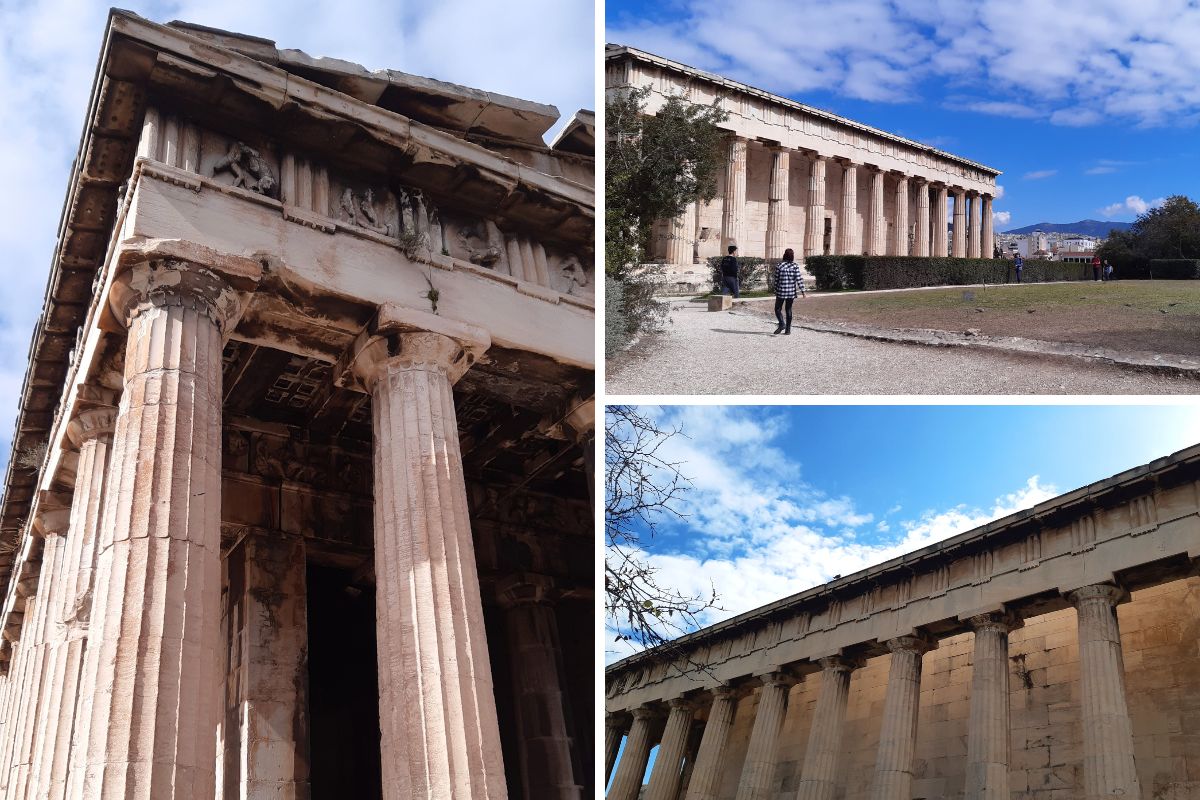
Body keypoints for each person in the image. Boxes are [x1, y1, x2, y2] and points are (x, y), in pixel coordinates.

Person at [773, 248, 804, 335]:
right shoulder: (795, 266)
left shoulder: (779, 265)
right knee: (788, 309)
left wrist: (775, 289)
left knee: (777, 309)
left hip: (781, 291)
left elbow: (776, 279)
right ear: (792, 256)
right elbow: (799, 279)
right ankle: (788, 330)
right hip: (791, 292)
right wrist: (803, 291)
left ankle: (782, 323)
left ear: (784, 255)